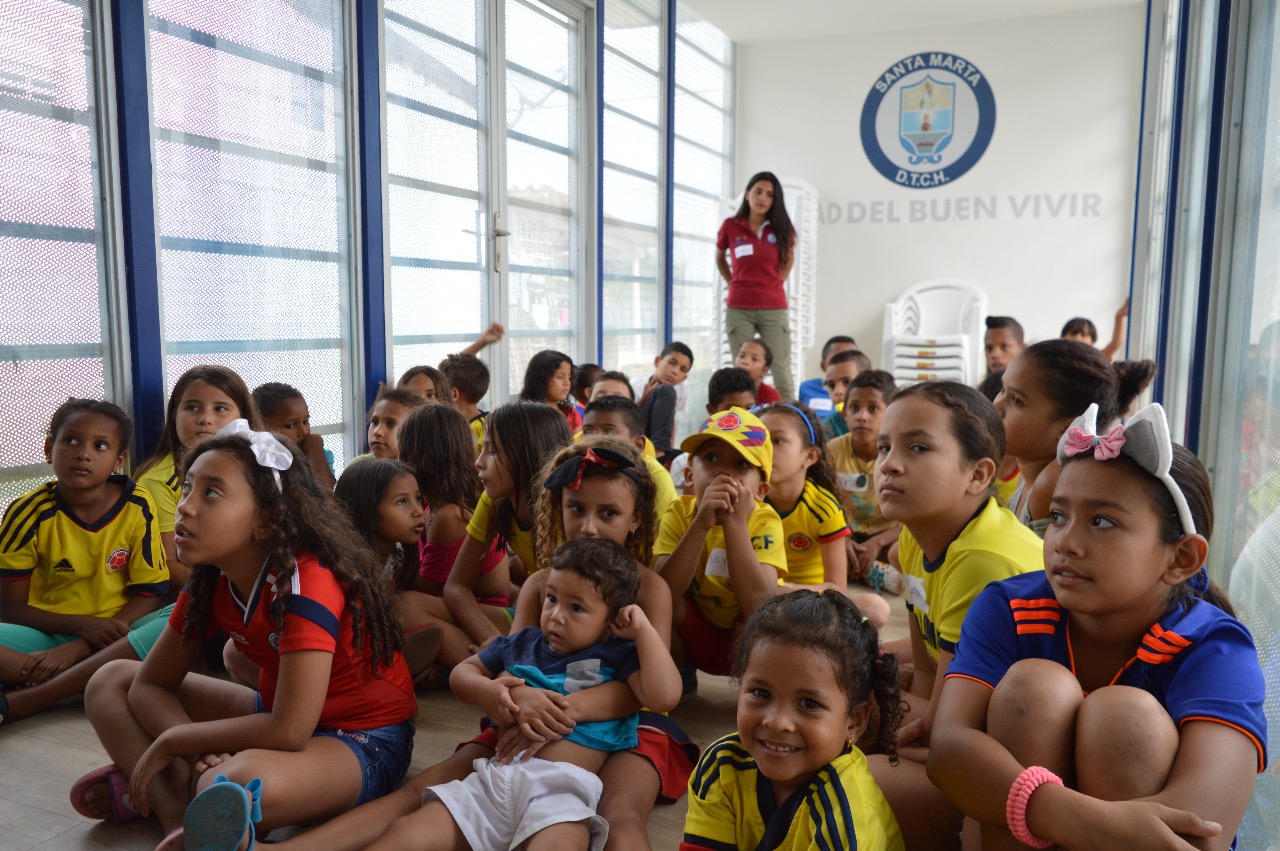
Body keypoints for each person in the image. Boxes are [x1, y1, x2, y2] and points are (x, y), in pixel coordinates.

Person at [929, 403, 1266, 851]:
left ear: (1181, 558)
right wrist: (1084, 820)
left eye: (1102, 522)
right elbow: (949, 749)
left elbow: (1203, 828)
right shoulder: (1007, 606)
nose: (1065, 542)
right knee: (1035, 687)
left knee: (1125, 716)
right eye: (1059, 517)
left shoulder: (1214, 646)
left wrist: (1052, 813)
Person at [77, 421, 416, 848]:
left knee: (233, 780)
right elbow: (150, 684)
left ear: (266, 521)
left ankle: (163, 790)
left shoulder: (304, 582)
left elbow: (291, 730)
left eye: (212, 493)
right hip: (278, 715)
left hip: (362, 739)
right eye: (186, 488)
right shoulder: (210, 579)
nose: (185, 507)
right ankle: (178, 821)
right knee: (109, 682)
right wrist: (194, 749)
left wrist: (174, 740)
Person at [369, 538, 681, 851]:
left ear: (612, 620)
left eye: (576, 607)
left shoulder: (617, 657)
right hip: (494, 781)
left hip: (562, 797)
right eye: (551, 599)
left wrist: (643, 630)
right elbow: (464, 673)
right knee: (408, 831)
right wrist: (486, 689)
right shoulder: (523, 643)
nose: (556, 615)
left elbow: (665, 697)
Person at [869, 380, 1045, 850]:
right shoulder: (913, 535)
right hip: (966, 724)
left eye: (918, 447)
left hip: (1022, 755)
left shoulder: (982, 559)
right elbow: (927, 669)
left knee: (822, 774)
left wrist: (872, 713)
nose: (889, 464)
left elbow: (948, 720)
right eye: (884, 447)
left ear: (978, 474)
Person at [682, 590, 905, 851]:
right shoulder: (720, 768)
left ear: (854, 721)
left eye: (809, 704)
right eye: (761, 693)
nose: (777, 723)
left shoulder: (845, 821)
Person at [0, 400, 167, 724]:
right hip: (47, 632)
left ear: (119, 460)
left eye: (100, 445)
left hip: (122, 630)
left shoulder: (138, 504)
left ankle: (37, 690)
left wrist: (79, 647)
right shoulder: (27, 512)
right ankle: (87, 680)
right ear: (50, 448)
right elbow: (10, 607)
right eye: (71, 441)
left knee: (184, 617)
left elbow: (150, 592)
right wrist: (80, 629)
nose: (83, 453)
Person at [656, 406, 787, 678]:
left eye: (741, 464)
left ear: (761, 490)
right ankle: (676, 673)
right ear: (690, 475)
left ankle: (758, 686)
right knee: (653, 597)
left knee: (782, 611)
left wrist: (735, 523)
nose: (723, 473)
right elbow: (662, 593)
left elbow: (758, 605)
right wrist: (701, 524)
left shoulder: (765, 521)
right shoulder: (678, 513)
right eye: (711, 458)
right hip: (694, 638)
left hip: (750, 644)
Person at [392, 404, 511, 671]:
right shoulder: (430, 505)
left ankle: (484, 670)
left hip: (489, 616)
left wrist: (385, 565)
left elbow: (429, 587)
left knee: (406, 606)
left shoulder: (450, 514)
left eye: (402, 452)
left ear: (415, 458)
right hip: (463, 609)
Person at [994, 339, 1156, 533]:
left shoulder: (1052, 481)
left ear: (1067, 428)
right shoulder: (1030, 473)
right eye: (1003, 390)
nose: (996, 406)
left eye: (1016, 400)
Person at [755, 402, 892, 628]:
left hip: (811, 600)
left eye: (777, 440)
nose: (764, 449)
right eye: (759, 441)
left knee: (876, 608)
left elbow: (837, 587)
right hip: (759, 599)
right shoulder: (750, 503)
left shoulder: (823, 508)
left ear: (809, 456)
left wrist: (781, 589)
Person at [444, 402, 571, 644]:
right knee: (411, 604)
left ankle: (487, 672)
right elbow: (456, 587)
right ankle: (493, 667)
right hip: (530, 615)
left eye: (492, 452)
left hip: (564, 625)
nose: (478, 462)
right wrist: (490, 639)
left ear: (527, 456)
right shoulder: (495, 501)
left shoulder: (568, 512)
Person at [333, 457, 443, 684]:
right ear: (367, 510)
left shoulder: (394, 558)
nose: (418, 511)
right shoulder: (347, 570)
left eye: (418, 498)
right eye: (402, 502)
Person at [717, 171, 798, 401]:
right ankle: (739, 421)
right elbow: (719, 258)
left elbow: (788, 257)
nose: (762, 198)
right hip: (739, 307)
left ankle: (790, 423)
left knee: (781, 369)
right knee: (740, 372)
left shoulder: (781, 227)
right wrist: (732, 282)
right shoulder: (731, 226)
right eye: (758, 191)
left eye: (770, 194)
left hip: (773, 306)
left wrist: (776, 282)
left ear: (775, 200)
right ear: (747, 194)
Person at [827, 370, 901, 588]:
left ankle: (855, 567)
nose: (862, 416)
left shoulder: (899, 454)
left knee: (901, 551)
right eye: (854, 408)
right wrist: (842, 538)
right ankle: (864, 569)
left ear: (889, 414)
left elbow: (910, 518)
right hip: (842, 533)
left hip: (885, 537)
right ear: (844, 415)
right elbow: (823, 502)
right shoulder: (833, 451)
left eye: (873, 408)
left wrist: (876, 543)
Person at [581, 395, 678, 520]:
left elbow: (666, 532)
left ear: (638, 445)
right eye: (588, 432)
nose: (595, 439)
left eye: (609, 432)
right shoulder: (576, 469)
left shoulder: (656, 476)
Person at [669, 368, 758, 497]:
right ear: (712, 410)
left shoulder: (760, 460)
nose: (742, 417)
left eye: (749, 408)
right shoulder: (682, 464)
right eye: (711, 459)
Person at [252, 381, 335, 490]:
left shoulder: (319, 454)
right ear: (262, 427)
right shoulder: (259, 460)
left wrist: (315, 449)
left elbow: (326, 491)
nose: (304, 431)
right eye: (290, 425)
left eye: (305, 421)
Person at [350, 385, 425, 464]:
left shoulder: (419, 471)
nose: (377, 431)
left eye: (391, 424)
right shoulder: (359, 465)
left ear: (414, 433)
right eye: (375, 422)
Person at [439, 352, 493, 453]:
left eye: (440, 388)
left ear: (454, 394)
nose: (436, 393)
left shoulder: (486, 428)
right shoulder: (448, 423)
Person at [520, 349, 580, 431]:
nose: (567, 383)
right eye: (560, 377)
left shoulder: (571, 414)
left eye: (569, 377)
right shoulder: (526, 416)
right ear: (541, 379)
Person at [630, 341, 695, 416]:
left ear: (683, 378)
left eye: (682, 369)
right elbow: (626, 420)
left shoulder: (682, 387)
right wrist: (645, 398)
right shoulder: (634, 387)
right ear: (657, 361)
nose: (675, 371)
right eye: (672, 363)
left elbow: (670, 418)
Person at [798, 334, 858, 412]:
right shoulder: (806, 388)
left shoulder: (863, 392)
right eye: (836, 359)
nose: (843, 364)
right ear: (823, 365)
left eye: (849, 359)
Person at [820, 348, 872, 438]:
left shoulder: (884, 420)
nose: (838, 391)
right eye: (831, 385)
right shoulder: (828, 427)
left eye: (847, 382)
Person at [1061, 297, 1128, 360]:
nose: (1077, 338)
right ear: (1062, 338)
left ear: (1092, 342)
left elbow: (1115, 343)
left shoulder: (1094, 359)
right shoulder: (1057, 357)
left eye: (1084, 335)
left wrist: (1119, 317)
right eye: (1073, 334)